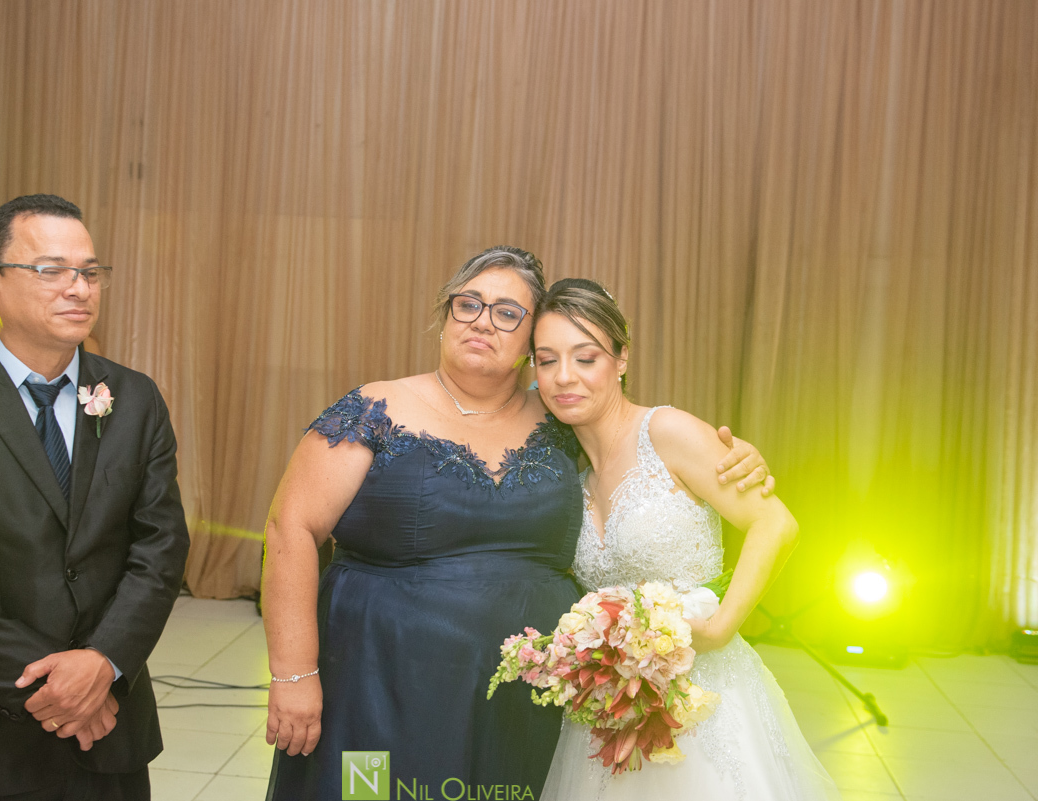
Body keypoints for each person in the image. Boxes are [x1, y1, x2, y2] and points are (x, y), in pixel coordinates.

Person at [262, 247, 774, 800]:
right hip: (378, 683)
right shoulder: (373, 408)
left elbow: (640, 447)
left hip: (525, 698)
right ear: (444, 316)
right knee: (372, 793)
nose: (483, 320)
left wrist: (740, 459)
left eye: (507, 312)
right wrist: (293, 673)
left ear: (529, 343)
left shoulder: (561, 416)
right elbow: (290, 529)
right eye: (468, 305)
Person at [0, 194, 191, 801]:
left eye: (90, 271)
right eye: (51, 270)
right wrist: (56, 688)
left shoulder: (134, 398)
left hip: (110, 726)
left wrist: (101, 663)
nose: (78, 288)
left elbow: (161, 547)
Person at [532, 279, 841, 800]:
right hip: (614, 700)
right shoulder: (571, 473)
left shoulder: (666, 432)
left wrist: (721, 627)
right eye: (546, 360)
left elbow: (775, 524)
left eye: (586, 358)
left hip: (707, 692)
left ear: (622, 357)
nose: (565, 377)